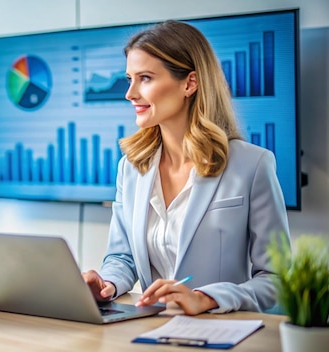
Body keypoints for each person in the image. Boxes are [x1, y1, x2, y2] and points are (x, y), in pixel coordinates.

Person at [82, 20, 290, 315]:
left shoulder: (252, 164)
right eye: (129, 78)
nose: (129, 93)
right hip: (148, 330)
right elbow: (122, 257)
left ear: (190, 83)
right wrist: (106, 283)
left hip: (221, 335)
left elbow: (278, 280)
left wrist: (206, 298)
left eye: (145, 78)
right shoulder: (131, 168)